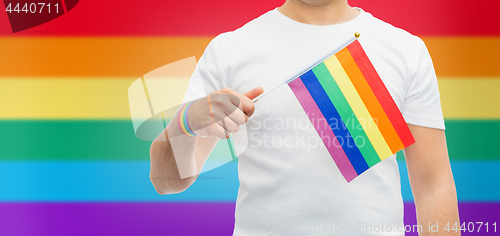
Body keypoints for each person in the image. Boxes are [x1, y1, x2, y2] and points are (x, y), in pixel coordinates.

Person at [149, 0, 460, 235]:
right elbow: (167, 182)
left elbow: (434, 184)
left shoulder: (405, 50)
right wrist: (185, 122)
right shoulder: (229, 50)